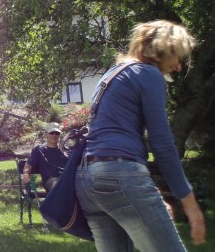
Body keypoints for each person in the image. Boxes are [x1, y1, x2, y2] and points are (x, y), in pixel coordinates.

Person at [76, 20, 206, 251]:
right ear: (163, 49)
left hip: (88, 179)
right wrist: (190, 204)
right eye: (177, 56)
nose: (178, 66)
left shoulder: (113, 74)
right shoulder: (148, 74)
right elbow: (162, 143)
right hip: (119, 175)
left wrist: (140, 187)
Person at [22, 122, 68, 191]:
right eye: (51, 133)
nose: (54, 135)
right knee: (57, 184)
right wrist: (26, 174)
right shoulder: (38, 150)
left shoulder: (65, 150)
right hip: (52, 180)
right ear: (46, 134)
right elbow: (29, 164)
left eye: (57, 133)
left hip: (67, 178)